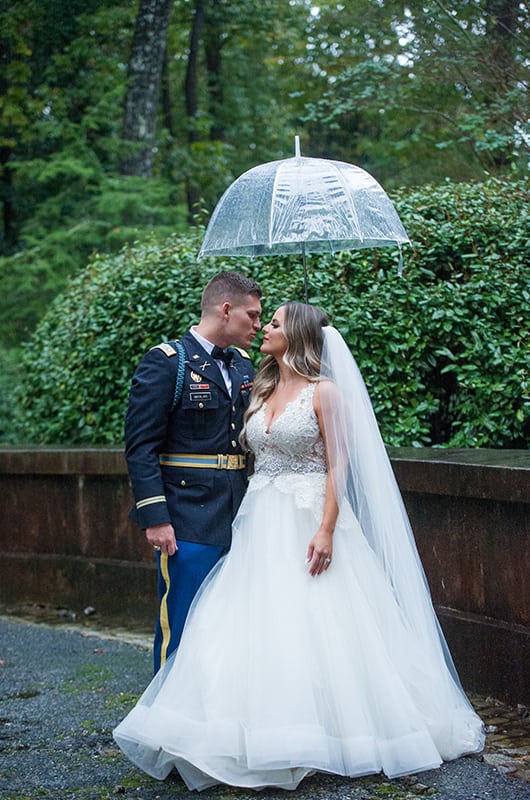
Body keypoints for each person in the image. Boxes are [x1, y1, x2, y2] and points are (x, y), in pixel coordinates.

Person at [114, 301, 485, 790]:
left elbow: (338, 466)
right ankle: (238, 731)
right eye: (260, 318)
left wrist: (327, 528)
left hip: (308, 518)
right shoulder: (258, 382)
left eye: (273, 322)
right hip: (255, 521)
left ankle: (332, 734)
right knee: (256, 625)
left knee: (320, 622)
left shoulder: (324, 392)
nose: (262, 327)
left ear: (300, 335)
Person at [124, 271, 262, 671]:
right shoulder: (169, 362)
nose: (256, 324)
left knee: (231, 622)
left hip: (239, 511)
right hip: (186, 514)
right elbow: (141, 447)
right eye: (251, 316)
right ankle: (163, 720)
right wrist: (156, 517)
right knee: (182, 619)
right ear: (225, 309)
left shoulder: (243, 365)